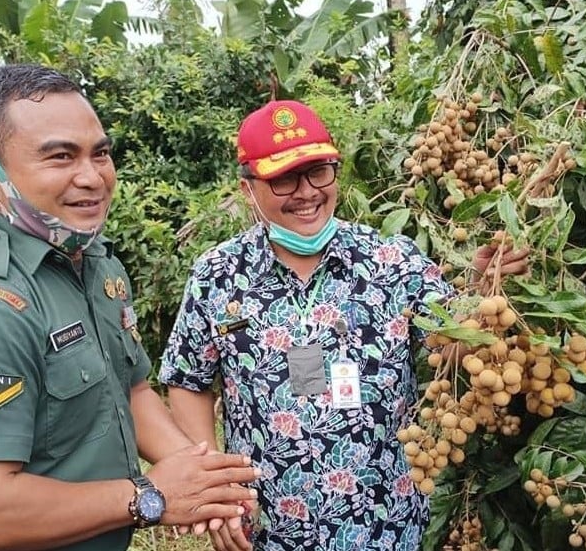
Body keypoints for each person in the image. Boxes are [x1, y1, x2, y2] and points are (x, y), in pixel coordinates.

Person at [159, 99, 528, 551]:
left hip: (384, 526)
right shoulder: (217, 274)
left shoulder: (393, 261)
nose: (307, 192)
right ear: (247, 189)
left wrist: (480, 292)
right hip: (268, 531)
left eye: (319, 171)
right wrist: (214, 485)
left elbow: (452, 349)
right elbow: (189, 380)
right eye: (283, 178)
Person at [0, 63, 260, 551]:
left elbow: (132, 389)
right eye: (60, 157)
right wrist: (149, 497)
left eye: (100, 154)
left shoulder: (94, 264)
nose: (92, 178)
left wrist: (202, 480)